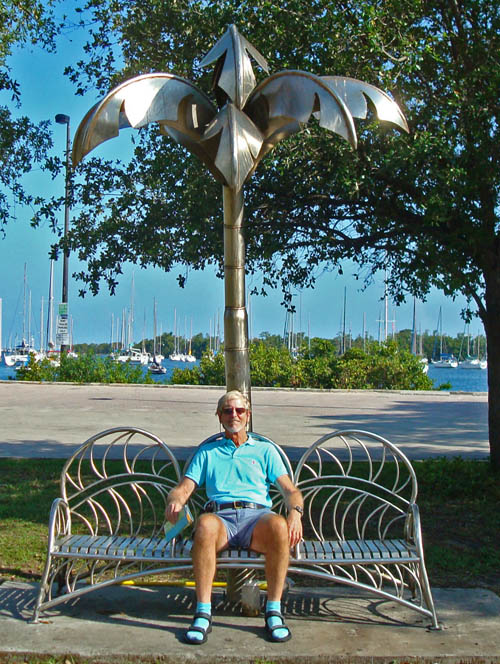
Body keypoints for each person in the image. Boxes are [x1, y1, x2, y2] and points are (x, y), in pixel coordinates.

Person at [165, 390, 303, 645]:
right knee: (204, 524)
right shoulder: (208, 452)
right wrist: (175, 501)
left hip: (257, 517)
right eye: (227, 411)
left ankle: (273, 611)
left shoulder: (265, 450)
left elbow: (291, 491)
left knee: (279, 525)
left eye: (239, 410)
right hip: (221, 517)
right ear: (219, 416)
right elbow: (183, 489)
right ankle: (203, 612)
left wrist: (295, 512)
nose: (234, 415)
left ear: (248, 415)